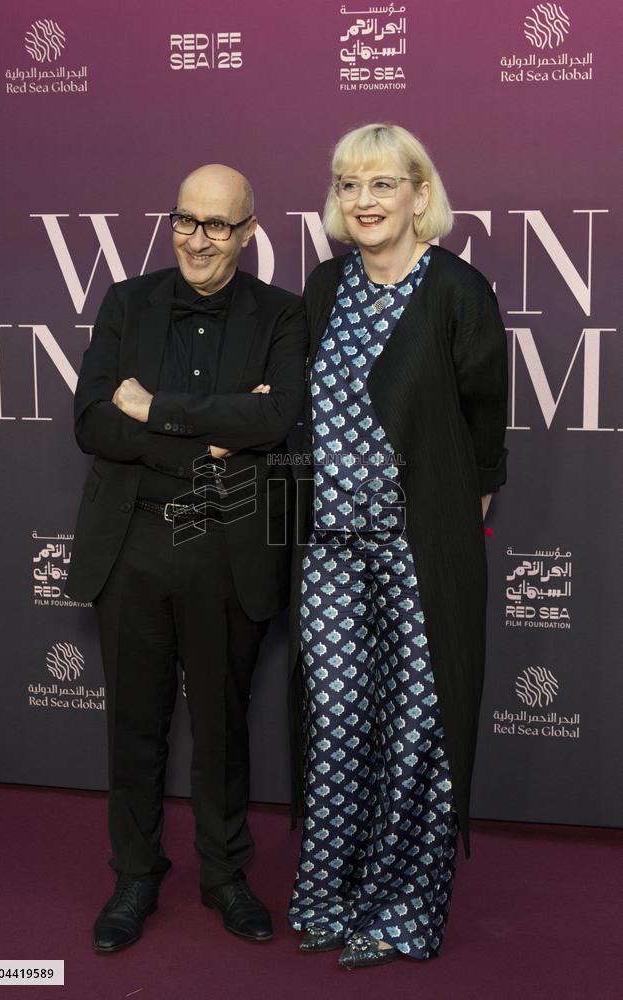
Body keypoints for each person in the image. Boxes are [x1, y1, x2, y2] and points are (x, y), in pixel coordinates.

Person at [65, 164, 307, 953]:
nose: (199, 240)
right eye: (186, 221)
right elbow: (93, 422)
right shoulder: (125, 302)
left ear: (248, 231)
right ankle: (134, 875)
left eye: (218, 225)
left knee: (223, 727)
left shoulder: (282, 314)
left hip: (227, 546)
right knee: (135, 725)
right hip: (132, 544)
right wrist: (207, 440)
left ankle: (225, 874)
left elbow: (276, 419)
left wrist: (155, 409)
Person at [287, 124, 508, 968]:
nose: (364, 200)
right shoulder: (325, 287)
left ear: (420, 193)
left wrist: (457, 507)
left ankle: (398, 914)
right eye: (349, 184)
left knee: (419, 726)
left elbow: (484, 424)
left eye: (383, 183)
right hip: (332, 547)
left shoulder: (458, 290)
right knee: (339, 718)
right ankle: (330, 897)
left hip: (421, 548)